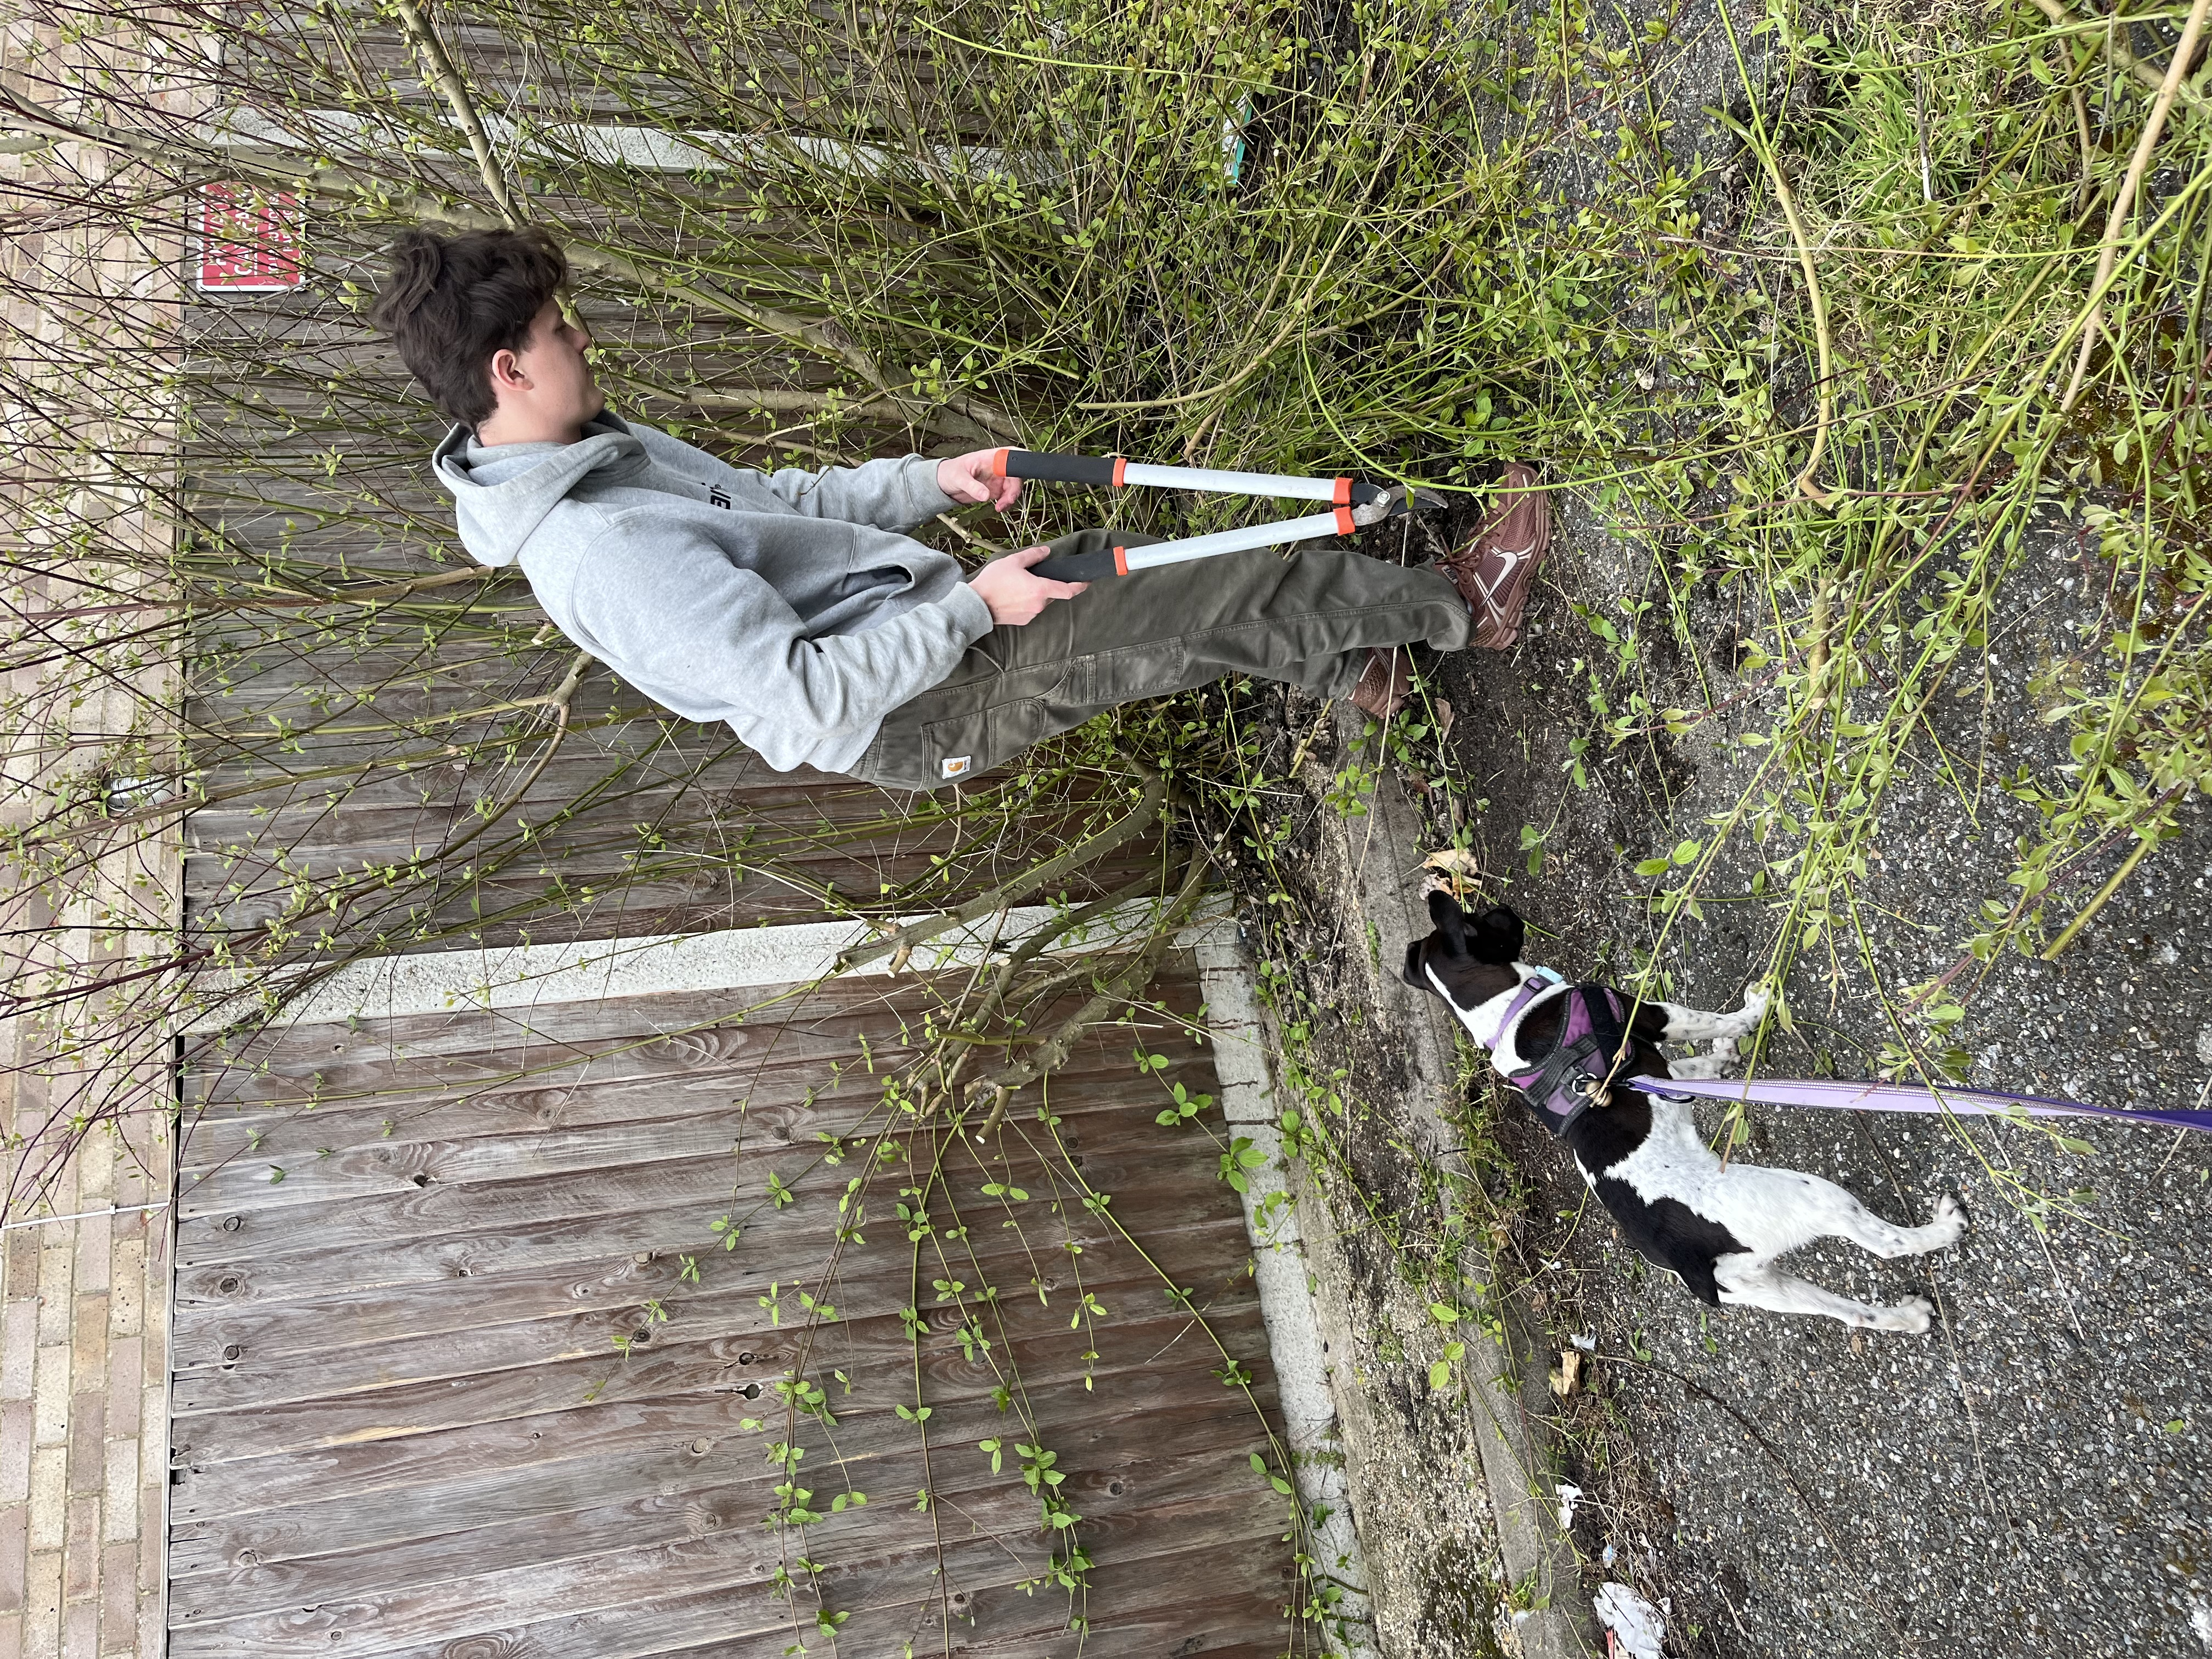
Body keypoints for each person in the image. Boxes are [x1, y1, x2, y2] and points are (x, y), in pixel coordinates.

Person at [373, 227, 1549, 791]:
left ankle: (1364, 660)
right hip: (918, 701)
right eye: (557, 331)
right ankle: (1460, 608)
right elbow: (800, 701)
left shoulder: (598, 451)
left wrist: (930, 483)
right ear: (505, 376)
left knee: (1118, 572)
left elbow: (781, 506)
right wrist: (978, 607)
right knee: (1195, 590)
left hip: (928, 633)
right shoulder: (599, 552)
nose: (582, 337)